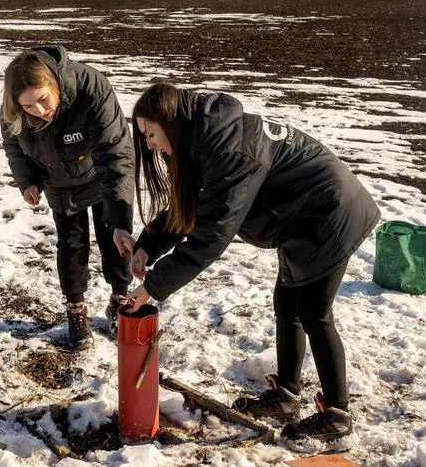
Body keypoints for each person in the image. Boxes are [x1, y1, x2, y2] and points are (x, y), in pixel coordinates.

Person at [121, 84, 380, 444]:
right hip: (300, 217)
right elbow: (195, 206)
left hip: (332, 213)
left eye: (151, 134)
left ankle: (337, 413)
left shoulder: (229, 149)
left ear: (171, 122)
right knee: (287, 305)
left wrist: (151, 288)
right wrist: (149, 245)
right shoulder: (205, 140)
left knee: (314, 313)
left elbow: (211, 235)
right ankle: (287, 395)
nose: (150, 144)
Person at [0, 46, 136, 352]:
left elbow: (115, 153)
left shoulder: (91, 87)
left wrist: (121, 220)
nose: (39, 111)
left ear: (54, 82)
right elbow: (13, 146)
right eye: (28, 107)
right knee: (71, 244)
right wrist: (27, 181)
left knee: (113, 238)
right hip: (59, 182)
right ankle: (76, 311)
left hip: (101, 175)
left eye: (43, 100)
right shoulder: (14, 105)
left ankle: (120, 299)